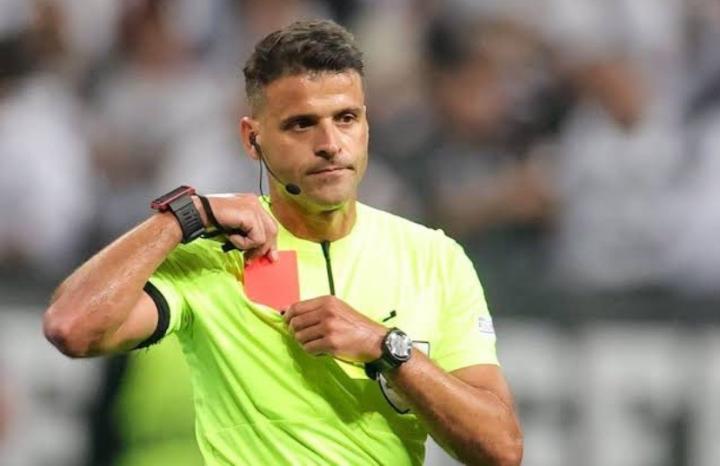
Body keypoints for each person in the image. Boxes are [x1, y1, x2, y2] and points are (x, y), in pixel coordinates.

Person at [43, 19, 523, 466]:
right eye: (301, 124)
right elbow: (70, 327)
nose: (330, 143)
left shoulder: (435, 258)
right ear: (252, 140)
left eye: (346, 118)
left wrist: (385, 347)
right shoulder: (214, 255)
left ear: (366, 126)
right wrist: (185, 217)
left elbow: (501, 448)